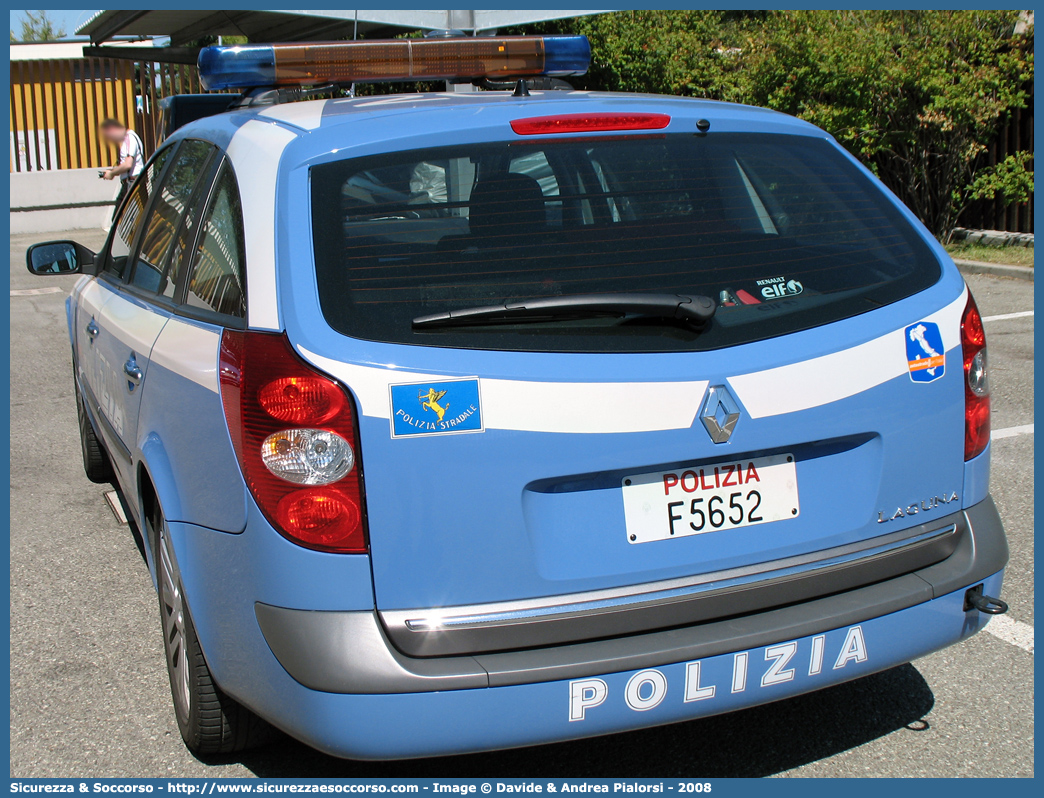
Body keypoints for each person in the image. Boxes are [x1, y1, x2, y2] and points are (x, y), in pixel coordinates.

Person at [99, 118, 144, 218]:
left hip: (132, 183)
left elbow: (128, 164)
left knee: (118, 219)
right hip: (132, 182)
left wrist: (111, 173)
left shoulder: (129, 138)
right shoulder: (129, 139)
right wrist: (113, 172)